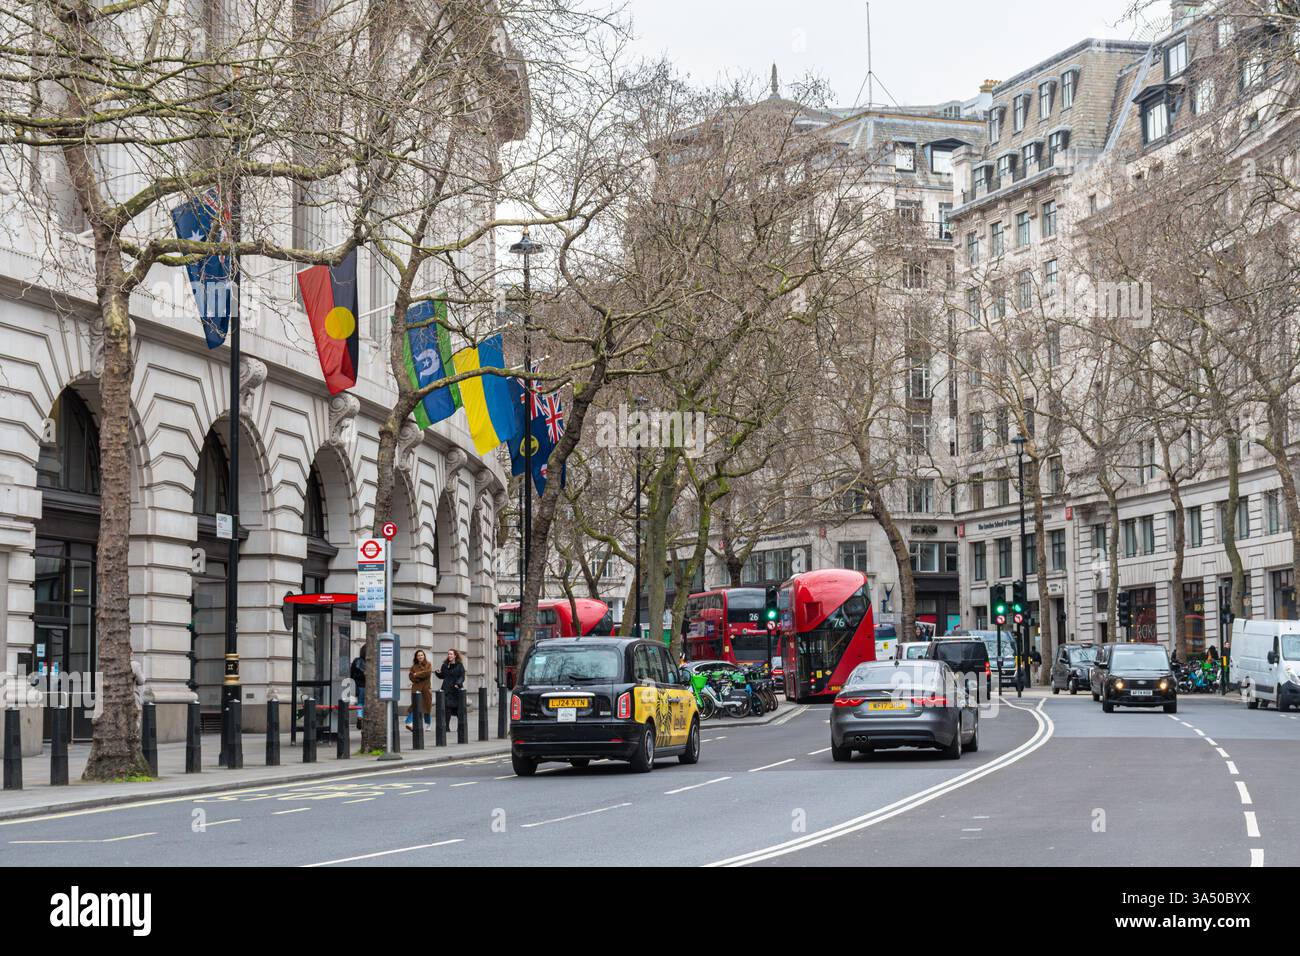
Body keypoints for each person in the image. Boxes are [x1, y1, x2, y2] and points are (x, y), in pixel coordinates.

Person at [436, 648, 466, 732]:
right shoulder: (445, 665)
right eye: (448, 654)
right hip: (446, 689)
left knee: (458, 710)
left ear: (455, 655)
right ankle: (446, 727)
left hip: (456, 690)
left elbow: (462, 676)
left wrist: (458, 683)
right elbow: (443, 676)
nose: (449, 655)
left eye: (451, 654)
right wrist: (438, 673)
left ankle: (460, 726)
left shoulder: (459, 665)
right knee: (447, 708)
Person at [405, 649, 433, 730]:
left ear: (424, 656)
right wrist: (416, 677)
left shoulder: (428, 664)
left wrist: (416, 674)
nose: (420, 656)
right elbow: (411, 676)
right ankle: (409, 722)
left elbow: (427, 673)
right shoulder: (413, 667)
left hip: (426, 688)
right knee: (415, 705)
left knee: (427, 707)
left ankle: (428, 724)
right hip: (416, 688)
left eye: (421, 655)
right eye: (418, 655)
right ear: (416, 657)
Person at [349, 644, 367, 723]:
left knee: (360, 702)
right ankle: (364, 717)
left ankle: (360, 715)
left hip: (359, 685)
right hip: (368, 685)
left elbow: (352, 673)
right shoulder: (371, 662)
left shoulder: (356, 661)